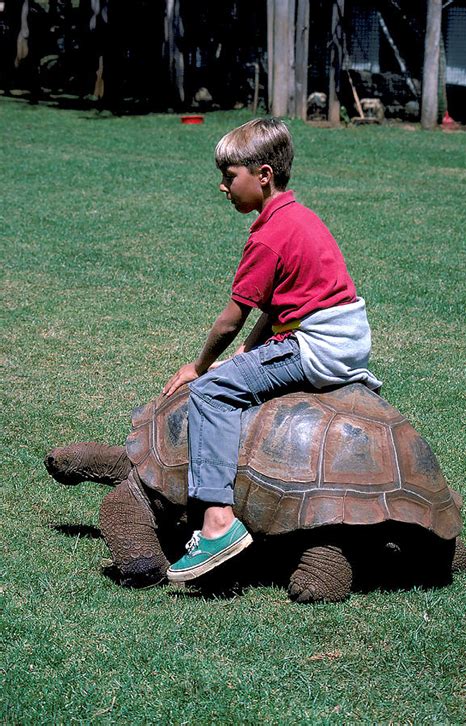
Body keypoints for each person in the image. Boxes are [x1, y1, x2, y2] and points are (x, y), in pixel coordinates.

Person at [164, 118, 381, 582]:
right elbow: (274, 308)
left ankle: (218, 522)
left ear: (262, 175)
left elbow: (231, 318)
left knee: (211, 393)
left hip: (317, 345)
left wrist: (198, 366)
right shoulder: (298, 217)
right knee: (237, 372)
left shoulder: (267, 236)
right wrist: (248, 356)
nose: (222, 187)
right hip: (342, 339)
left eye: (230, 176)